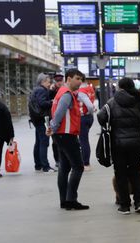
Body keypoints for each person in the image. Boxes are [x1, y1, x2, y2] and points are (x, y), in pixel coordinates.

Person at [97, 77, 140, 215]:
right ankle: (139, 203)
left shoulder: (112, 102)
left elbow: (101, 117)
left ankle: (125, 205)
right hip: (136, 144)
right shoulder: (137, 102)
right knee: (135, 172)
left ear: (120, 87)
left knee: (120, 174)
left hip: (118, 145)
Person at [46, 69, 89, 210]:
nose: (80, 81)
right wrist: (53, 126)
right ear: (68, 79)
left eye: (81, 79)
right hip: (66, 134)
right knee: (78, 167)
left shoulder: (61, 93)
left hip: (60, 134)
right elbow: (59, 113)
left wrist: (52, 128)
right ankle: (71, 200)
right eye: (77, 78)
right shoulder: (67, 95)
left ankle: (64, 200)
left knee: (64, 167)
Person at [29, 73, 56, 172]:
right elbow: (42, 103)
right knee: (44, 142)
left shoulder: (36, 89)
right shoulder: (41, 90)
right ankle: (45, 166)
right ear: (43, 82)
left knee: (38, 142)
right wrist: (52, 102)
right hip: (42, 119)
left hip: (37, 119)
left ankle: (38, 164)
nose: (49, 84)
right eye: (48, 82)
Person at [77, 74, 95, 171]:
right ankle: (85, 161)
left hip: (83, 117)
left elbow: (90, 106)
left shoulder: (81, 91)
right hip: (89, 118)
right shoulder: (90, 88)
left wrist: (89, 111)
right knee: (84, 140)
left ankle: (85, 163)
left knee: (83, 141)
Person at [49, 74, 64, 168]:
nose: (58, 82)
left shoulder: (65, 91)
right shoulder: (51, 92)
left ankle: (63, 158)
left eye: (60, 81)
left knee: (64, 140)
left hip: (63, 119)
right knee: (55, 141)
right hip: (53, 117)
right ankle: (57, 160)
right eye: (57, 81)